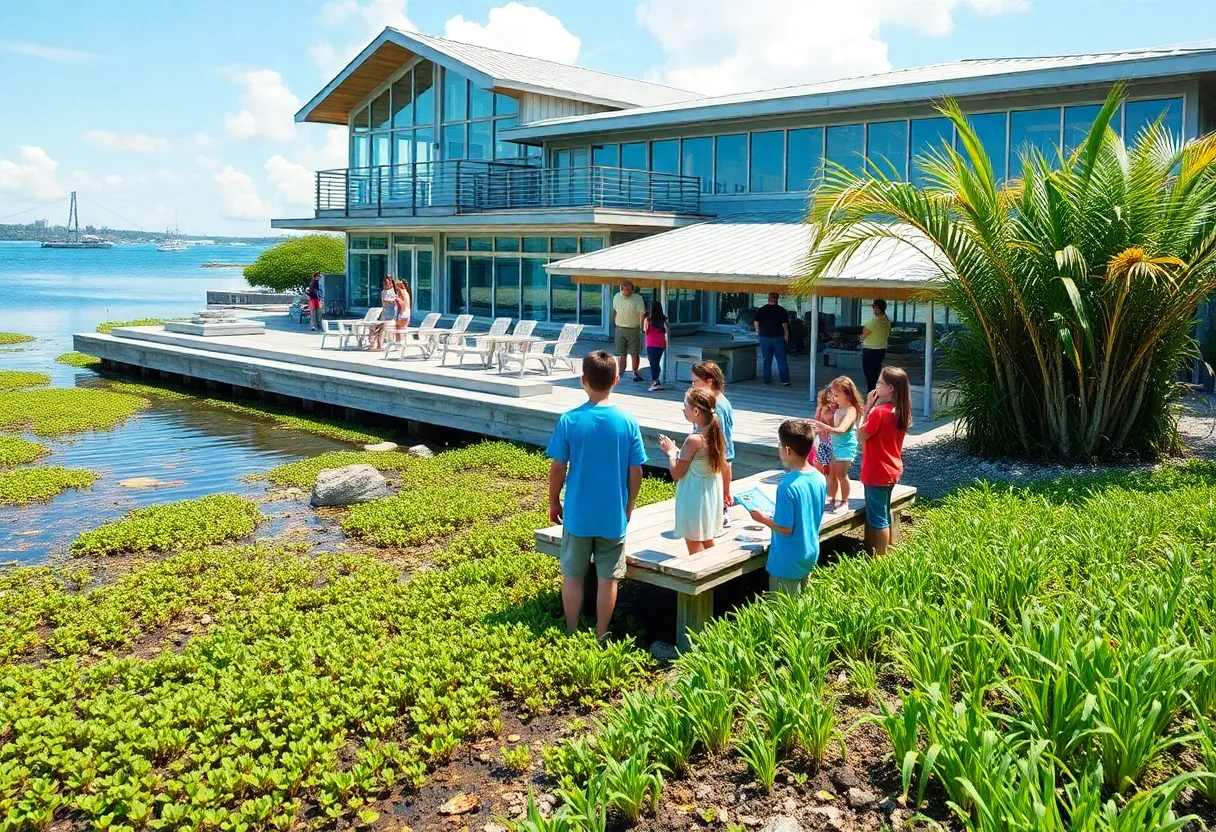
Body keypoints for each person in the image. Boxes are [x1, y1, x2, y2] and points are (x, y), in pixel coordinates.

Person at [546, 350, 646, 640]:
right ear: (616, 379)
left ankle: (571, 629)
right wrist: (629, 505)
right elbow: (636, 471)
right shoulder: (627, 422)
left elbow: (557, 468)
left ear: (582, 380)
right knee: (608, 578)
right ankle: (602, 633)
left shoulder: (569, 420)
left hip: (577, 514)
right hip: (612, 515)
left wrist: (554, 501)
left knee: (573, 574)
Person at [747, 420, 827, 596]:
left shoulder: (787, 486)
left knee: (785, 612)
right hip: (809, 552)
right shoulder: (819, 477)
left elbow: (785, 528)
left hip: (787, 560)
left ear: (788, 450)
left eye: (779, 445)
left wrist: (762, 518)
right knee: (803, 606)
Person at [658, 387, 725, 554]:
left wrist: (671, 452)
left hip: (695, 496)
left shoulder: (694, 439)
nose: (684, 409)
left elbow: (676, 473)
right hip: (709, 493)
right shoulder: (716, 434)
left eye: (685, 406)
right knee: (706, 538)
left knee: (694, 540)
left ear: (696, 411)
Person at [858, 366, 912, 557]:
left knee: (878, 518)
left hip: (876, 470)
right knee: (883, 511)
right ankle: (880, 550)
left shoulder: (878, 413)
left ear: (890, 388)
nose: (876, 386)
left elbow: (861, 436)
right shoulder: (900, 411)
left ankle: (879, 559)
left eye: (879, 382)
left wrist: (867, 409)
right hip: (891, 468)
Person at [690, 361, 735, 526]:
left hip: (716, 459)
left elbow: (722, 446)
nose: (693, 385)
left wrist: (726, 491)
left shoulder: (717, 407)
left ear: (709, 381)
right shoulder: (716, 401)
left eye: (695, 382)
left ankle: (721, 513)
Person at [813, 376, 864, 512]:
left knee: (842, 475)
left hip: (845, 447)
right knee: (832, 474)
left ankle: (845, 502)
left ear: (848, 394)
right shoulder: (839, 408)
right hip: (835, 446)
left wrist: (824, 427)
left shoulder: (851, 410)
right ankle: (833, 499)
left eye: (837, 395)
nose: (834, 398)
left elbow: (841, 429)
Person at [612, 281, 647, 383]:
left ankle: (635, 372)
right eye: (626, 289)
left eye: (631, 290)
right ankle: (620, 371)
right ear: (622, 289)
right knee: (621, 352)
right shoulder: (616, 297)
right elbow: (615, 310)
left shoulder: (637, 298)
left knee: (634, 352)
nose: (629, 292)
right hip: (619, 328)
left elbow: (642, 314)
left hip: (634, 329)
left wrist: (641, 327)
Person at [753, 293, 791, 386]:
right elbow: (785, 325)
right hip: (778, 337)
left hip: (765, 337)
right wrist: (786, 335)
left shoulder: (762, 309)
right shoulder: (782, 310)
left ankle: (767, 379)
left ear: (768, 298)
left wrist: (757, 330)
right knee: (781, 359)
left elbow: (756, 321)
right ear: (777, 299)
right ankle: (784, 380)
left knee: (767, 359)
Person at [861, 299, 892, 393]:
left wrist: (860, 339)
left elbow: (863, 335)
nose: (874, 309)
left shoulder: (873, 322)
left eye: (875, 307)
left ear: (879, 308)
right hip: (881, 349)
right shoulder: (887, 321)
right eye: (874, 307)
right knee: (876, 371)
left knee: (869, 372)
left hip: (870, 350)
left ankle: (872, 391)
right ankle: (875, 390)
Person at [642, 300, 670, 392]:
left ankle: (655, 382)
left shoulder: (648, 320)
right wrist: (667, 344)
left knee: (653, 363)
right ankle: (656, 380)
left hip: (651, 343)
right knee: (656, 362)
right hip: (660, 344)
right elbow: (667, 333)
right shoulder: (664, 320)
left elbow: (645, 330)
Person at [812, 387, 836, 476]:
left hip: (831, 442)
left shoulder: (833, 412)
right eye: (818, 402)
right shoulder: (819, 409)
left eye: (821, 402)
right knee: (819, 462)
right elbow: (815, 422)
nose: (819, 404)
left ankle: (828, 478)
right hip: (822, 441)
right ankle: (821, 478)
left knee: (830, 466)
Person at [374, 276, 396, 350]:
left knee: (390, 329)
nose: (386, 284)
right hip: (385, 312)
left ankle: (391, 343)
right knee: (382, 328)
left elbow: (396, 300)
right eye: (385, 282)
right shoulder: (383, 292)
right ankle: (379, 343)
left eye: (388, 282)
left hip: (392, 313)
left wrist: (391, 300)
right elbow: (384, 301)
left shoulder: (394, 291)